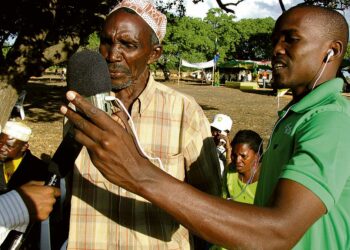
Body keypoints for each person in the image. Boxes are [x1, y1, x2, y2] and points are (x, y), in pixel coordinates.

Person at [61, 5, 350, 249]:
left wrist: (138, 171)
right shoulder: (295, 116)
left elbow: (278, 231)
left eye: (291, 39)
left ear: (331, 51)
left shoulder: (331, 120)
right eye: (275, 39)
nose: (276, 49)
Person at [63, 0, 221, 249]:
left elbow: (210, 207)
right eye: (106, 41)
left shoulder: (184, 112)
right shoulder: (81, 109)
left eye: (128, 45)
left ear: (154, 54)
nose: (113, 55)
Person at [0, 121, 60, 246]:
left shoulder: (40, 171)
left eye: (9, 146)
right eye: (0, 143)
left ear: (24, 147)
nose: (2, 149)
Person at [222, 130, 263, 204]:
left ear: (257, 157)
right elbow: (223, 199)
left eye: (243, 156)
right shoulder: (230, 171)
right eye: (234, 155)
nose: (237, 160)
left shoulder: (267, 178)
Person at [210, 114, 233, 179]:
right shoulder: (206, 145)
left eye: (218, 131)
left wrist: (228, 150)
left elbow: (230, 174)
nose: (214, 133)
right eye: (213, 129)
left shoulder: (231, 152)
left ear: (226, 133)